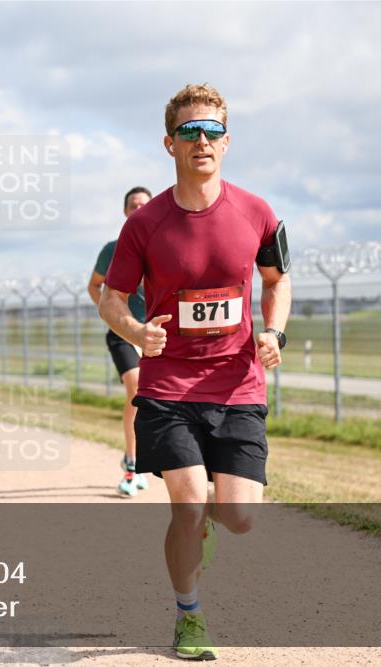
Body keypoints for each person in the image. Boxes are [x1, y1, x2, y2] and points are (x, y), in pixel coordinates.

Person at [100, 83, 292, 661]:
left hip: (237, 384)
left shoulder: (258, 213)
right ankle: (189, 615)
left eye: (211, 131)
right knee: (186, 504)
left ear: (227, 142)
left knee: (238, 517)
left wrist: (273, 332)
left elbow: (277, 283)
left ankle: (206, 527)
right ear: (170, 143)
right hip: (169, 385)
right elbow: (112, 299)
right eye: (189, 131)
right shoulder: (146, 224)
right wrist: (137, 333)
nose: (201, 140)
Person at [89, 186, 153, 497]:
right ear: (125, 212)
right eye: (133, 205)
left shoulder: (161, 246)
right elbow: (95, 285)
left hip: (155, 333)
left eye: (145, 204)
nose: (139, 208)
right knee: (136, 387)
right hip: (123, 333)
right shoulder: (112, 249)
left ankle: (150, 457)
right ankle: (132, 461)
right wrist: (109, 313)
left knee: (155, 399)